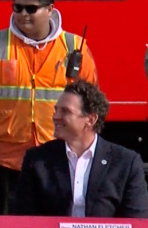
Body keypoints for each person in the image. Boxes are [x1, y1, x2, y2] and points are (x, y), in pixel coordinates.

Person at [0, 0, 98, 215]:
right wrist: (2, 118)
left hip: (58, 155)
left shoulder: (75, 48)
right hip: (4, 159)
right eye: (17, 8)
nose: (23, 14)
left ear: (50, 10)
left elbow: (91, 97)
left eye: (31, 8)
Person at [14, 81, 148, 218]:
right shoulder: (37, 160)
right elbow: (25, 221)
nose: (55, 117)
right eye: (56, 110)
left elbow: (136, 224)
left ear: (90, 119)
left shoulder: (126, 163)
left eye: (65, 111)